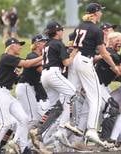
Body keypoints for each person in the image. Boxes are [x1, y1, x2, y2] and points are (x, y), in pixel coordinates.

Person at [66, 2, 120, 147]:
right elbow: (103, 53)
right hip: (85, 61)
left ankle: (62, 126)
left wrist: (70, 60)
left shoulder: (80, 26)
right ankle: (91, 129)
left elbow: (75, 47)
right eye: (100, 11)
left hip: (75, 60)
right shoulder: (96, 30)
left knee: (70, 93)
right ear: (96, 13)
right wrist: (114, 67)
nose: (101, 13)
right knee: (95, 98)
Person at [0, 38, 43, 154]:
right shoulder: (6, 57)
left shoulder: (13, 60)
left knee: (24, 119)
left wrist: (48, 59)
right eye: (19, 45)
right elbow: (28, 64)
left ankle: (23, 148)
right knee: (6, 123)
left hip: (7, 93)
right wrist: (46, 55)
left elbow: (28, 65)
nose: (21, 47)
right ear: (12, 46)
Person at [40, 21, 78, 149]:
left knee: (56, 108)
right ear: (57, 31)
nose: (62, 32)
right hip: (53, 73)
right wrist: (74, 52)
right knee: (72, 92)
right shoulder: (58, 43)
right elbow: (66, 63)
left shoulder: (48, 44)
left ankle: (40, 134)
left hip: (45, 76)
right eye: (61, 30)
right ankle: (62, 128)